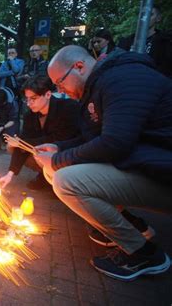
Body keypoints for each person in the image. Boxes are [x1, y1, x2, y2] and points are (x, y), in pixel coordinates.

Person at [35, 45, 172, 281]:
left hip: (163, 174)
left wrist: (57, 160)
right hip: (147, 164)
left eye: (60, 83)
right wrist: (60, 148)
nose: (61, 91)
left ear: (79, 66)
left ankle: (144, 253)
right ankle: (131, 226)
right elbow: (97, 138)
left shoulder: (122, 78)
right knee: (55, 170)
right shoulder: (101, 83)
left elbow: (115, 143)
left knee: (66, 180)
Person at [0, 76, 79, 190]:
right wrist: (10, 174)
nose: (29, 103)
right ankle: (45, 176)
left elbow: (60, 139)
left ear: (48, 94)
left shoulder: (67, 108)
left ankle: (63, 183)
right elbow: (25, 139)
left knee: (25, 145)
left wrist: (22, 142)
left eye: (33, 98)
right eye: (27, 99)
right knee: (13, 147)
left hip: (70, 155)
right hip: (46, 153)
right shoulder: (30, 115)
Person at [118, 6, 172, 78]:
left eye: (150, 15)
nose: (145, 17)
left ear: (158, 18)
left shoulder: (165, 42)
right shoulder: (126, 42)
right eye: (143, 14)